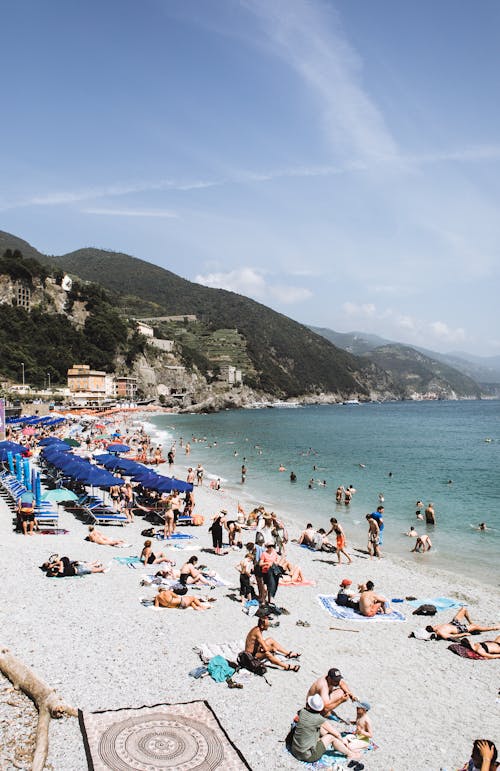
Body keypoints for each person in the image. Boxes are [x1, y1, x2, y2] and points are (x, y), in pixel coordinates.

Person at [290, 694, 362, 766]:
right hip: (308, 756)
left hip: (295, 750)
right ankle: (350, 754)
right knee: (331, 737)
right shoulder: (319, 719)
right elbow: (336, 734)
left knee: (322, 730)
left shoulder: (302, 711)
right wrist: (343, 742)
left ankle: (338, 746)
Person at [426, 608, 500, 641]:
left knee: (463, 609)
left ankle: (471, 622)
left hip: (453, 623)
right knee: (475, 627)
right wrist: (464, 634)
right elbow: (453, 636)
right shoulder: (441, 633)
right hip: (459, 629)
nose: (432, 626)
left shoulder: (436, 627)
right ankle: (494, 628)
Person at [42, 557, 107, 577]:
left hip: (77, 568)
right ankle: (105, 568)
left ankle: (102, 569)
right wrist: (53, 565)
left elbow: (62, 562)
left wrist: (54, 565)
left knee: (91, 568)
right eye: (52, 571)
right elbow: (61, 562)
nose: (53, 570)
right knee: (92, 570)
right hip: (78, 571)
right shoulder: (60, 574)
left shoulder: (58, 571)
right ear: (53, 574)